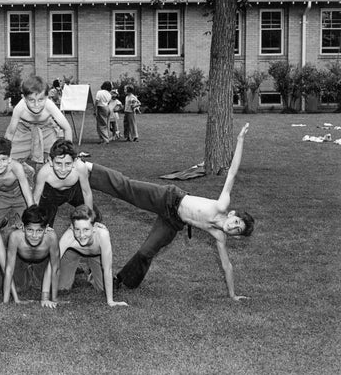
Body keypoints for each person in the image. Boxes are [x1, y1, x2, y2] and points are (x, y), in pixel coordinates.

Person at [89, 123, 255, 300]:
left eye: (237, 230)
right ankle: (91, 170)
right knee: (128, 188)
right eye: (237, 222)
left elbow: (227, 266)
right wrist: (240, 140)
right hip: (168, 198)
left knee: (147, 252)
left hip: (173, 221)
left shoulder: (219, 236)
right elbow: (232, 174)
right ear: (232, 214)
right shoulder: (222, 206)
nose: (233, 227)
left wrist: (233, 295)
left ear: (236, 236)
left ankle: (122, 281)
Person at [50, 205, 128, 307]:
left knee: (103, 288)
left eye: (86, 229)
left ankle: (91, 275)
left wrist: (110, 301)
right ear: (72, 227)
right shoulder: (68, 236)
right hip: (73, 252)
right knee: (61, 287)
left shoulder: (102, 235)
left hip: (96, 255)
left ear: (94, 227)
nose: (82, 235)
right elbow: (52, 265)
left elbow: (107, 268)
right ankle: (73, 270)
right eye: (77, 229)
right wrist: (47, 297)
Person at [5, 75, 72, 166]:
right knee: (10, 160)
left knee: (55, 157)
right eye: (31, 100)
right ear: (24, 98)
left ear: (47, 97)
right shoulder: (19, 108)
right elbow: (10, 133)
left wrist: (69, 153)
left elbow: (67, 128)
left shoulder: (50, 106)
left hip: (46, 129)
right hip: (23, 130)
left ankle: (45, 173)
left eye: (41, 99)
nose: (36, 104)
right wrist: (3, 153)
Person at [3, 205, 60, 308]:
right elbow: (9, 269)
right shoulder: (15, 236)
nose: (34, 235)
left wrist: (53, 299)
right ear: (23, 227)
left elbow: (55, 267)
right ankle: (6, 227)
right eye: (30, 230)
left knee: (42, 286)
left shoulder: (51, 237)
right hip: (21, 258)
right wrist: (5, 302)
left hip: (42, 259)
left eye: (39, 231)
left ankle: (33, 272)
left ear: (46, 228)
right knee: (19, 288)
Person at [34, 138, 98, 228]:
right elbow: (36, 199)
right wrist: (33, 220)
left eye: (68, 164)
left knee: (95, 216)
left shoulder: (80, 168)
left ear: (75, 161)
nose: (63, 169)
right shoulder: (44, 173)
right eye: (59, 163)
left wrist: (90, 218)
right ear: (50, 161)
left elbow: (86, 193)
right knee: (44, 225)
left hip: (74, 191)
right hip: (50, 195)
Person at [95, 80, 112, 144]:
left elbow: (97, 101)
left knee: (101, 125)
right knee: (104, 124)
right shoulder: (109, 94)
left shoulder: (99, 92)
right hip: (107, 108)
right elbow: (109, 102)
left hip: (101, 108)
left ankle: (105, 139)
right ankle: (102, 138)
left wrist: (95, 109)